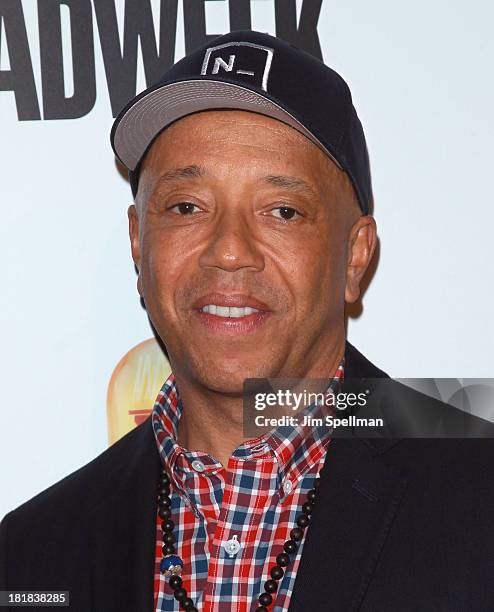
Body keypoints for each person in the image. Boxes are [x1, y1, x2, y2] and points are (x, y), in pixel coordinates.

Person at [1, 30, 493, 612]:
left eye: (282, 211)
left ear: (355, 257)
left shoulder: (480, 498)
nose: (229, 250)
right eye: (187, 207)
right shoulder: (28, 557)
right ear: (139, 244)